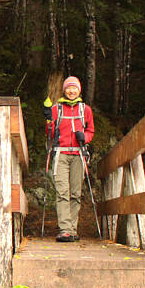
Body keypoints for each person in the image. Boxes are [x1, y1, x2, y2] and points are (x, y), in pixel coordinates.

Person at [44, 75, 94, 242]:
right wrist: (49, 122)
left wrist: (84, 137)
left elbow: (91, 131)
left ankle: (73, 229)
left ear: (79, 90)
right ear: (64, 90)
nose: (71, 91)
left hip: (78, 154)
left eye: (74, 88)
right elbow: (50, 133)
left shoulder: (85, 110)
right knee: (62, 192)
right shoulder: (56, 109)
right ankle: (65, 229)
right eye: (68, 88)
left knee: (75, 193)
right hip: (62, 153)